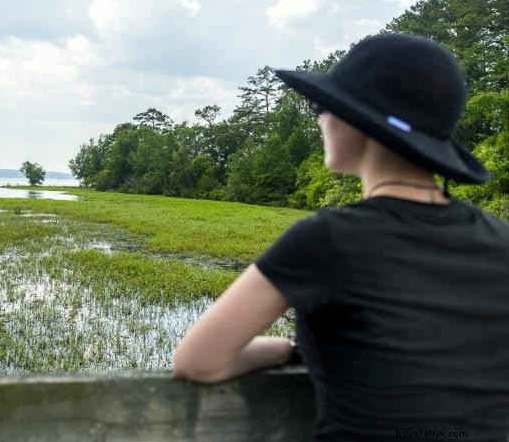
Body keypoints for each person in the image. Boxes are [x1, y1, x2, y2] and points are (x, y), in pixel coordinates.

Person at [172, 33, 509, 440]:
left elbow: (197, 361)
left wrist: (285, 348)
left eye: (322, 106)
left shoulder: (327, 238)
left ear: (357, 122)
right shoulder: (499, 239)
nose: (319, 118)